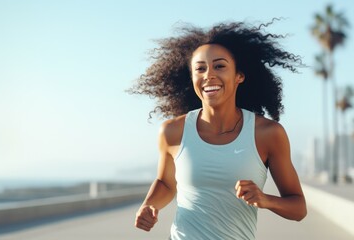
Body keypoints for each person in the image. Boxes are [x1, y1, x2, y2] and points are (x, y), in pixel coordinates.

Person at [130, 19, 307, 240]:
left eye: (219, 66)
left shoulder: (267, 134)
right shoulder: (172, 131)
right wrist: (148, 206)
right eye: (200, 69)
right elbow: (166, 183)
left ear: (239, 76)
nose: (208, 75)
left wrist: (265, 199)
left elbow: (299, 208)